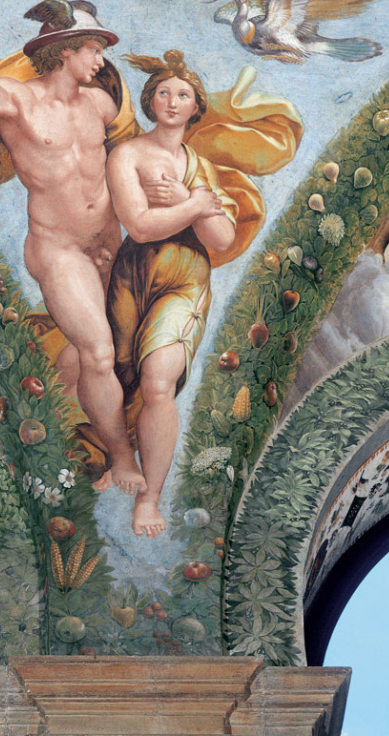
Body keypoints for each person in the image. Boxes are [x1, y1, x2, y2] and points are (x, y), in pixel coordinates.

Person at [0, 0, 148, 497]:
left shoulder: (100, 105)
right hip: (59, 250)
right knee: (97, 353)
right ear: (64, 50)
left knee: (109, 352)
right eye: (93, 49)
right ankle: (121, 458)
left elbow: (130, 160)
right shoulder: (19, 102)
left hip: (109, 244)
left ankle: (48, 424)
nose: (101, 60)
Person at [103, 52, 237, 538]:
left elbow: (222, 240)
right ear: (151, 100)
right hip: (134, 276)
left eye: (183, 95)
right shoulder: (128, 155)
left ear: (196, 106)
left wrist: (187, 202)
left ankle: (150, 497)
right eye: (164, 93)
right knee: (121, 373)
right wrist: (196, 206)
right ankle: (116, 456)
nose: (173, 102)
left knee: (158, 382)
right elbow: (139, 227)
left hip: (185, 281)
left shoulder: (201, 168)